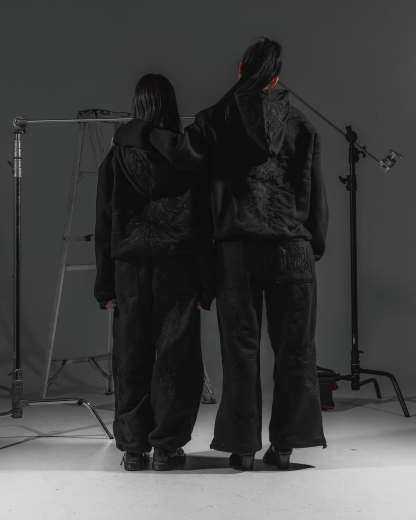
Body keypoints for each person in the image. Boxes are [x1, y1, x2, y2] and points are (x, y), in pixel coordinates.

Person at [149, 38, 329, 470]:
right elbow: (315, 194)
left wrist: (148, 130)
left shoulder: (216, 119)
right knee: (296, 351)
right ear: (276, 77)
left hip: (237, 252)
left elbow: (181, 159)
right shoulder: (302, 125)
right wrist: (313, 245)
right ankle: (285, 447)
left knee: (240, 351)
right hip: (292, 249)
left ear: (241, 70)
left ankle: (242, 447)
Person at [94, 74, 214, 471]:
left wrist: (104, 285)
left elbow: (105, 221)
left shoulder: (116, 156)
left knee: (131, 354)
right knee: (177, 357)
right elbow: (203, 222)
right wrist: (207, 281)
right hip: (178, 264)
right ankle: (167, 447)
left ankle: (133, 449)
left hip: (129, 267)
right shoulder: (186, 155)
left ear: (137, 105)